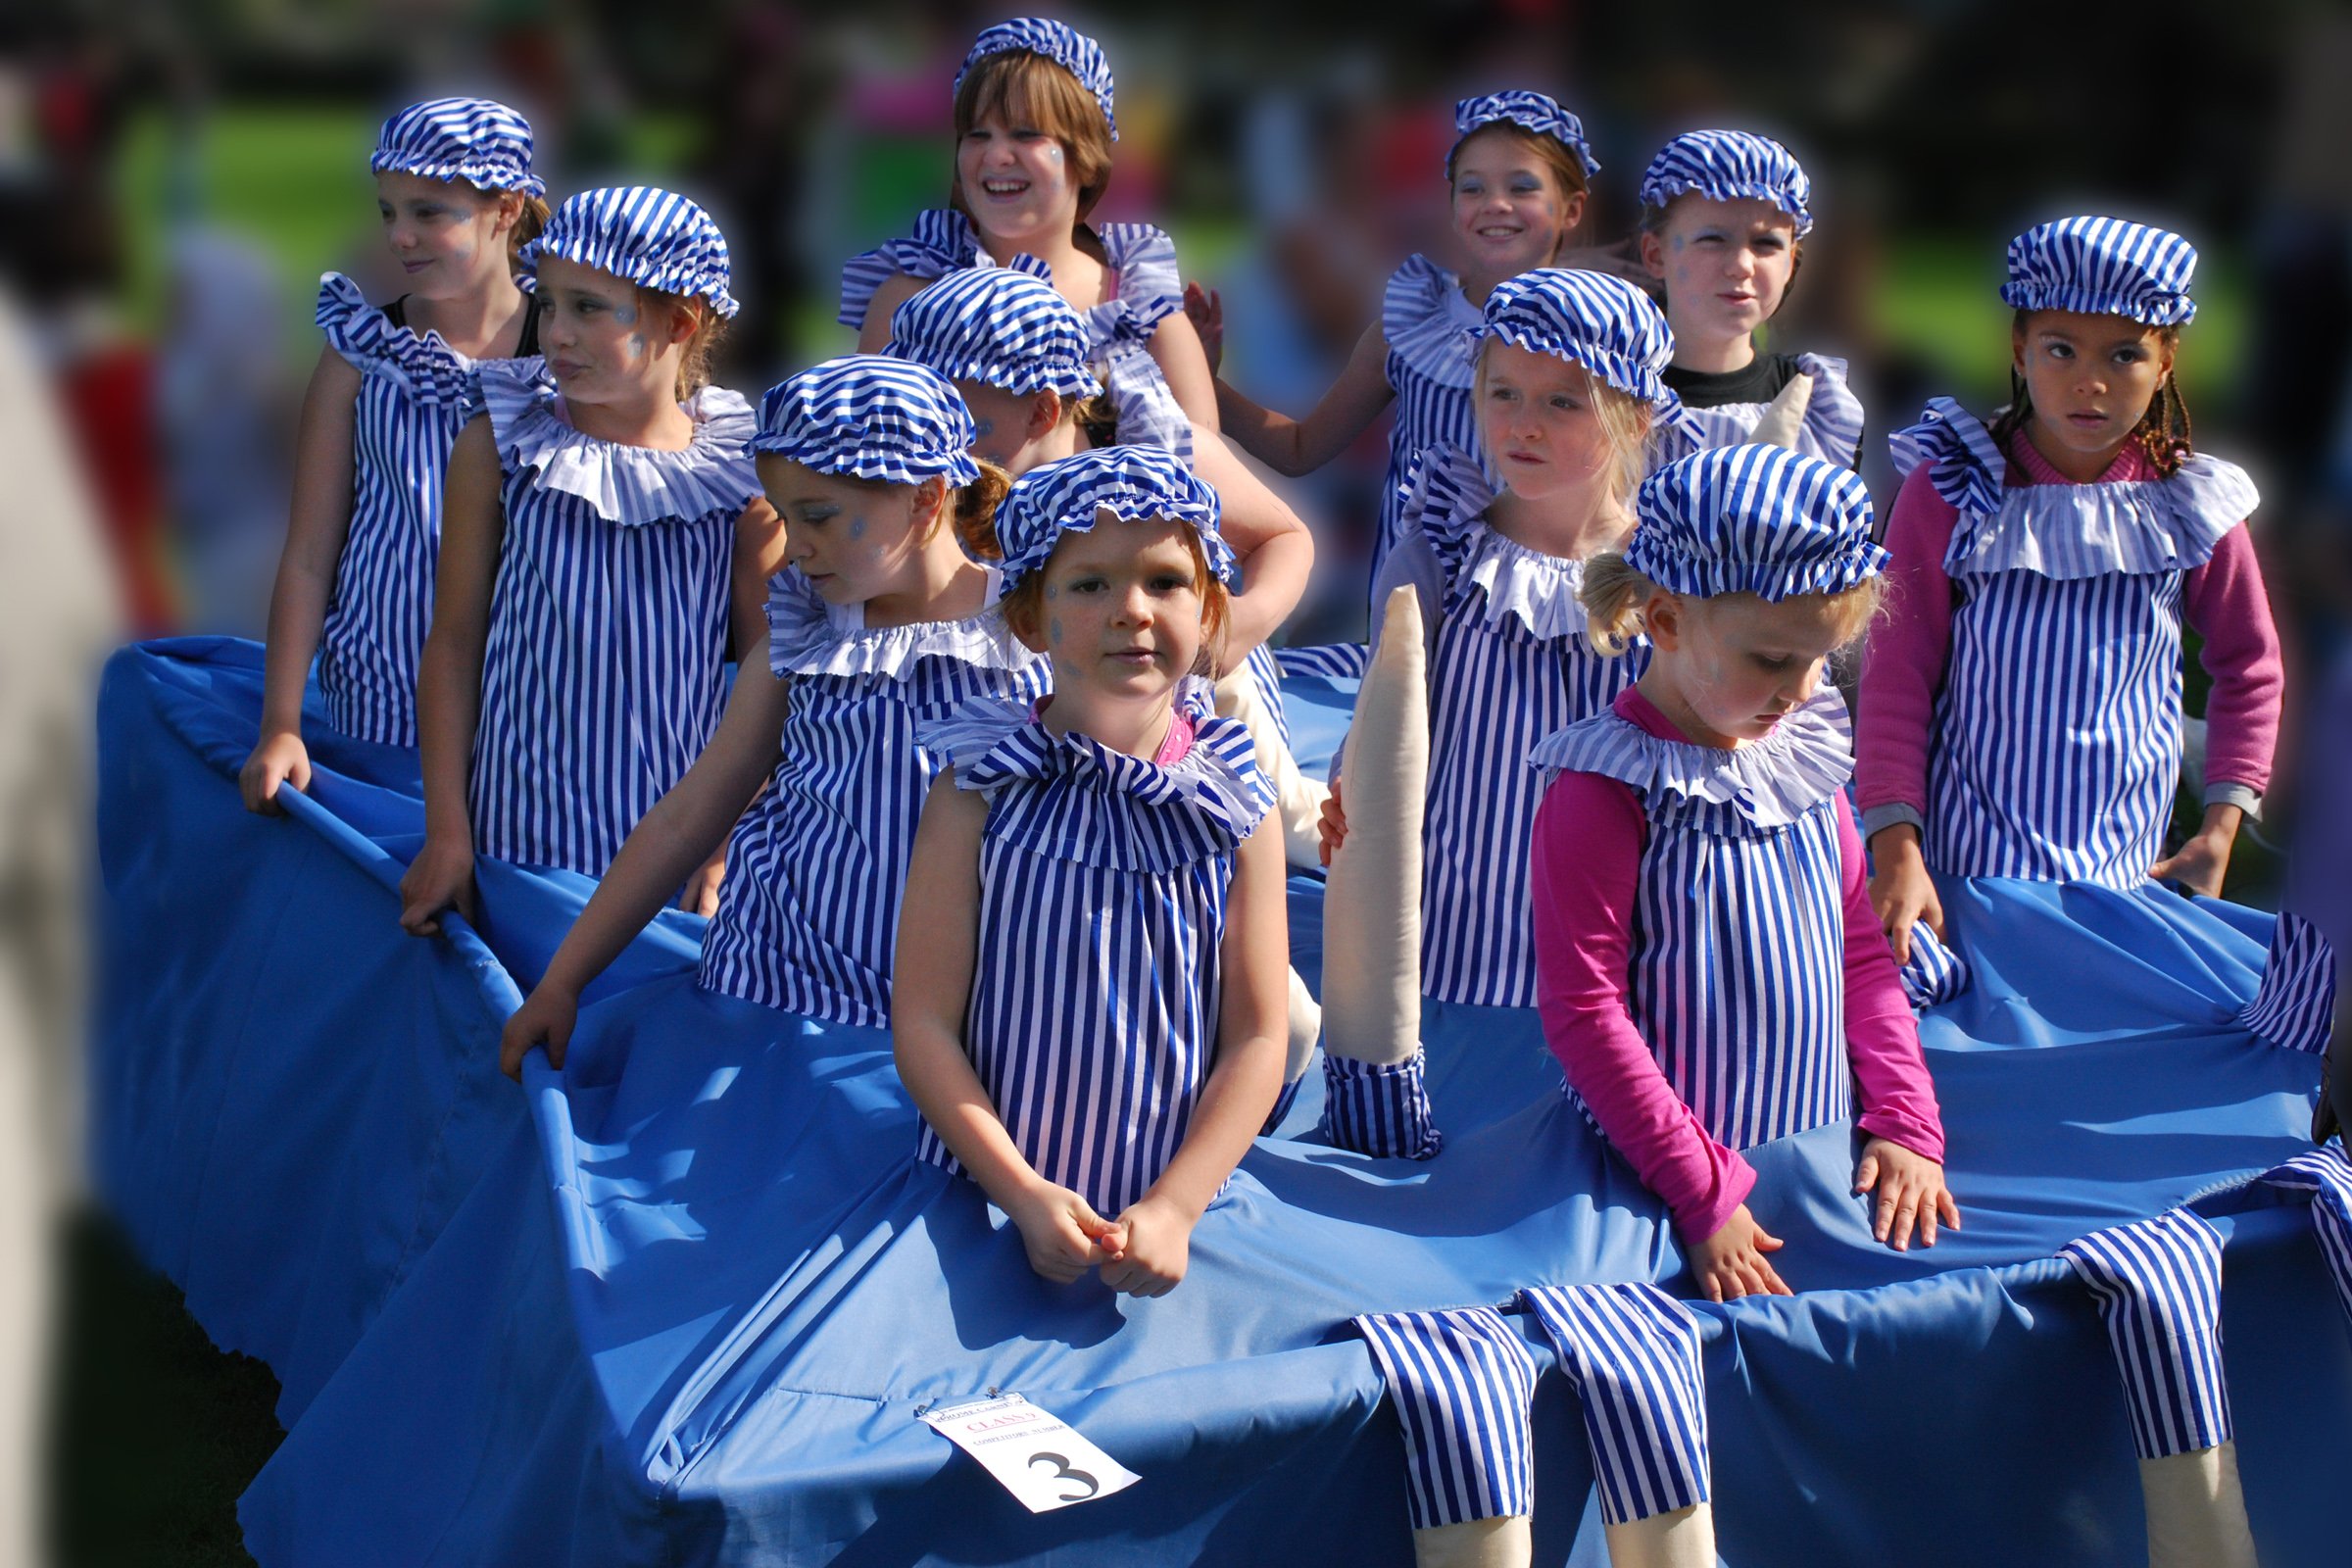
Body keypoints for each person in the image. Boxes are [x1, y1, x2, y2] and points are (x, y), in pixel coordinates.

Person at [497, 355, 1044, 1067]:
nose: (795, 543)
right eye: (785, 516)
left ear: (926, 497)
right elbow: (686, 817)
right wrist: (563, 980)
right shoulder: (808, 634)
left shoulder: (1033, 635)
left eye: (817, 516)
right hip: (773, 993)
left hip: (950, 1027)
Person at [1532, 442, 1953, 1301]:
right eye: (1771, 660)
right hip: (1661, 1184)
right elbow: (1586, 1012)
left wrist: (1907, 1121)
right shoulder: (1605, 790)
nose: (1800, 690)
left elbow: (1860, 958)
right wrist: (1700, 1191)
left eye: (1821, 659)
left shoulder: (1799, 755)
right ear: (1665, 620)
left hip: (1820, 1163)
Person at [893, 447, 1287, 1294]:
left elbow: (1259, 1036)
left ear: (1209, 608)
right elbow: (923, 1022)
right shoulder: (977, 790)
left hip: (1175, 1219)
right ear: (1030, 620)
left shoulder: (1234, 805)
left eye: (1166, 582)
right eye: (1090, 584)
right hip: (980, 1203)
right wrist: (1021, 1193)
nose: (1132, 611)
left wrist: (1176, 1206)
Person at [1858, 218, 2282, 963]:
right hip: (1965, 875)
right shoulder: (1952, 489)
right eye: (2061, 350)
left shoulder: (2190, 503)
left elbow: (2251, 665)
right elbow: (1896, 673)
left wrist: (2220, 827)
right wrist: (1896, 843)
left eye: (2125, 354)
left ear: (2167, 361)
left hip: (2122, 876)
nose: (2091, 382)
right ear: (2019, 349)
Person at [399, 186, 782, 935]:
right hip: (516, 848)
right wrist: (447, 833)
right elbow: (453, 643)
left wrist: (725, 846)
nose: (557, 334)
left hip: (669, 869)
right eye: (549, 305)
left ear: (680, 322)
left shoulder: (738, 477)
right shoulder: (503, 447)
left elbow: (770, 684)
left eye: (589, 308)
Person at [1318, 269, 1680, 1012]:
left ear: (1636, 417)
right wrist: (1351, 780)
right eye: (1503, 393)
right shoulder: (1447, 544)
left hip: (1612, 926)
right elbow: (1388, 699)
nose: (1523, 425)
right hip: (1458, 909)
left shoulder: (1664, 575)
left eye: (1562, 402)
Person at [242, 97, 550, 807]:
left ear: (505, 209)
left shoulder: (565, 357)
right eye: (388, 212)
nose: (399, 236)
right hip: (373, 709)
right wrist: (281, 723)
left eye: (428, 212)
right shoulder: (360, 351)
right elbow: (310, 552)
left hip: (518, 717)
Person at [1188, 91, 1600, 572]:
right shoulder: (1411, 324)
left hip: (1549, 594)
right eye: (1473, 188)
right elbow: (1299, 450)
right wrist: (1205, 380)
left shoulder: (1601, 334)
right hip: (1418, 601)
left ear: (1572, 208)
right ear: (1452, 207)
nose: (1496, 204)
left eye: (1523, 187)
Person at [841, 18, 1216, 452]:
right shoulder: (908, 301)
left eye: (1026, 134)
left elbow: (1208, 474)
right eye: (977, 134)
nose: (997, 156)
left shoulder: (1145, 316)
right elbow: (862, 460)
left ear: (1085, 156)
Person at [1637, 128, 1866, 467]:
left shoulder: (1820, 403)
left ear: (1790, 262)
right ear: (1655, 255)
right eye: (1713, 239)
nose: (1742, 266)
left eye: (1766, 244)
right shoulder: (1606, 395)